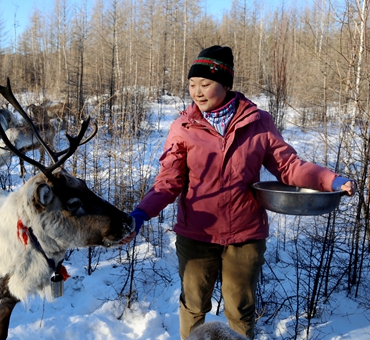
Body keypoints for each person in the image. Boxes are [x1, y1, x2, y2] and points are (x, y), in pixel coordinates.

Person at [121, 45, 357, 340]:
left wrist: (331, 180)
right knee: (193, 305)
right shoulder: (183, 127)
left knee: (240, 310)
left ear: (226, 84)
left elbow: (289, 167)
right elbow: (168, 181)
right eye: (192, 84)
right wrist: (141, 213)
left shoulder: (258, 123)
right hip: (196, 233)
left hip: (245, 235)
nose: (197, 91)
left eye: (205, 84)